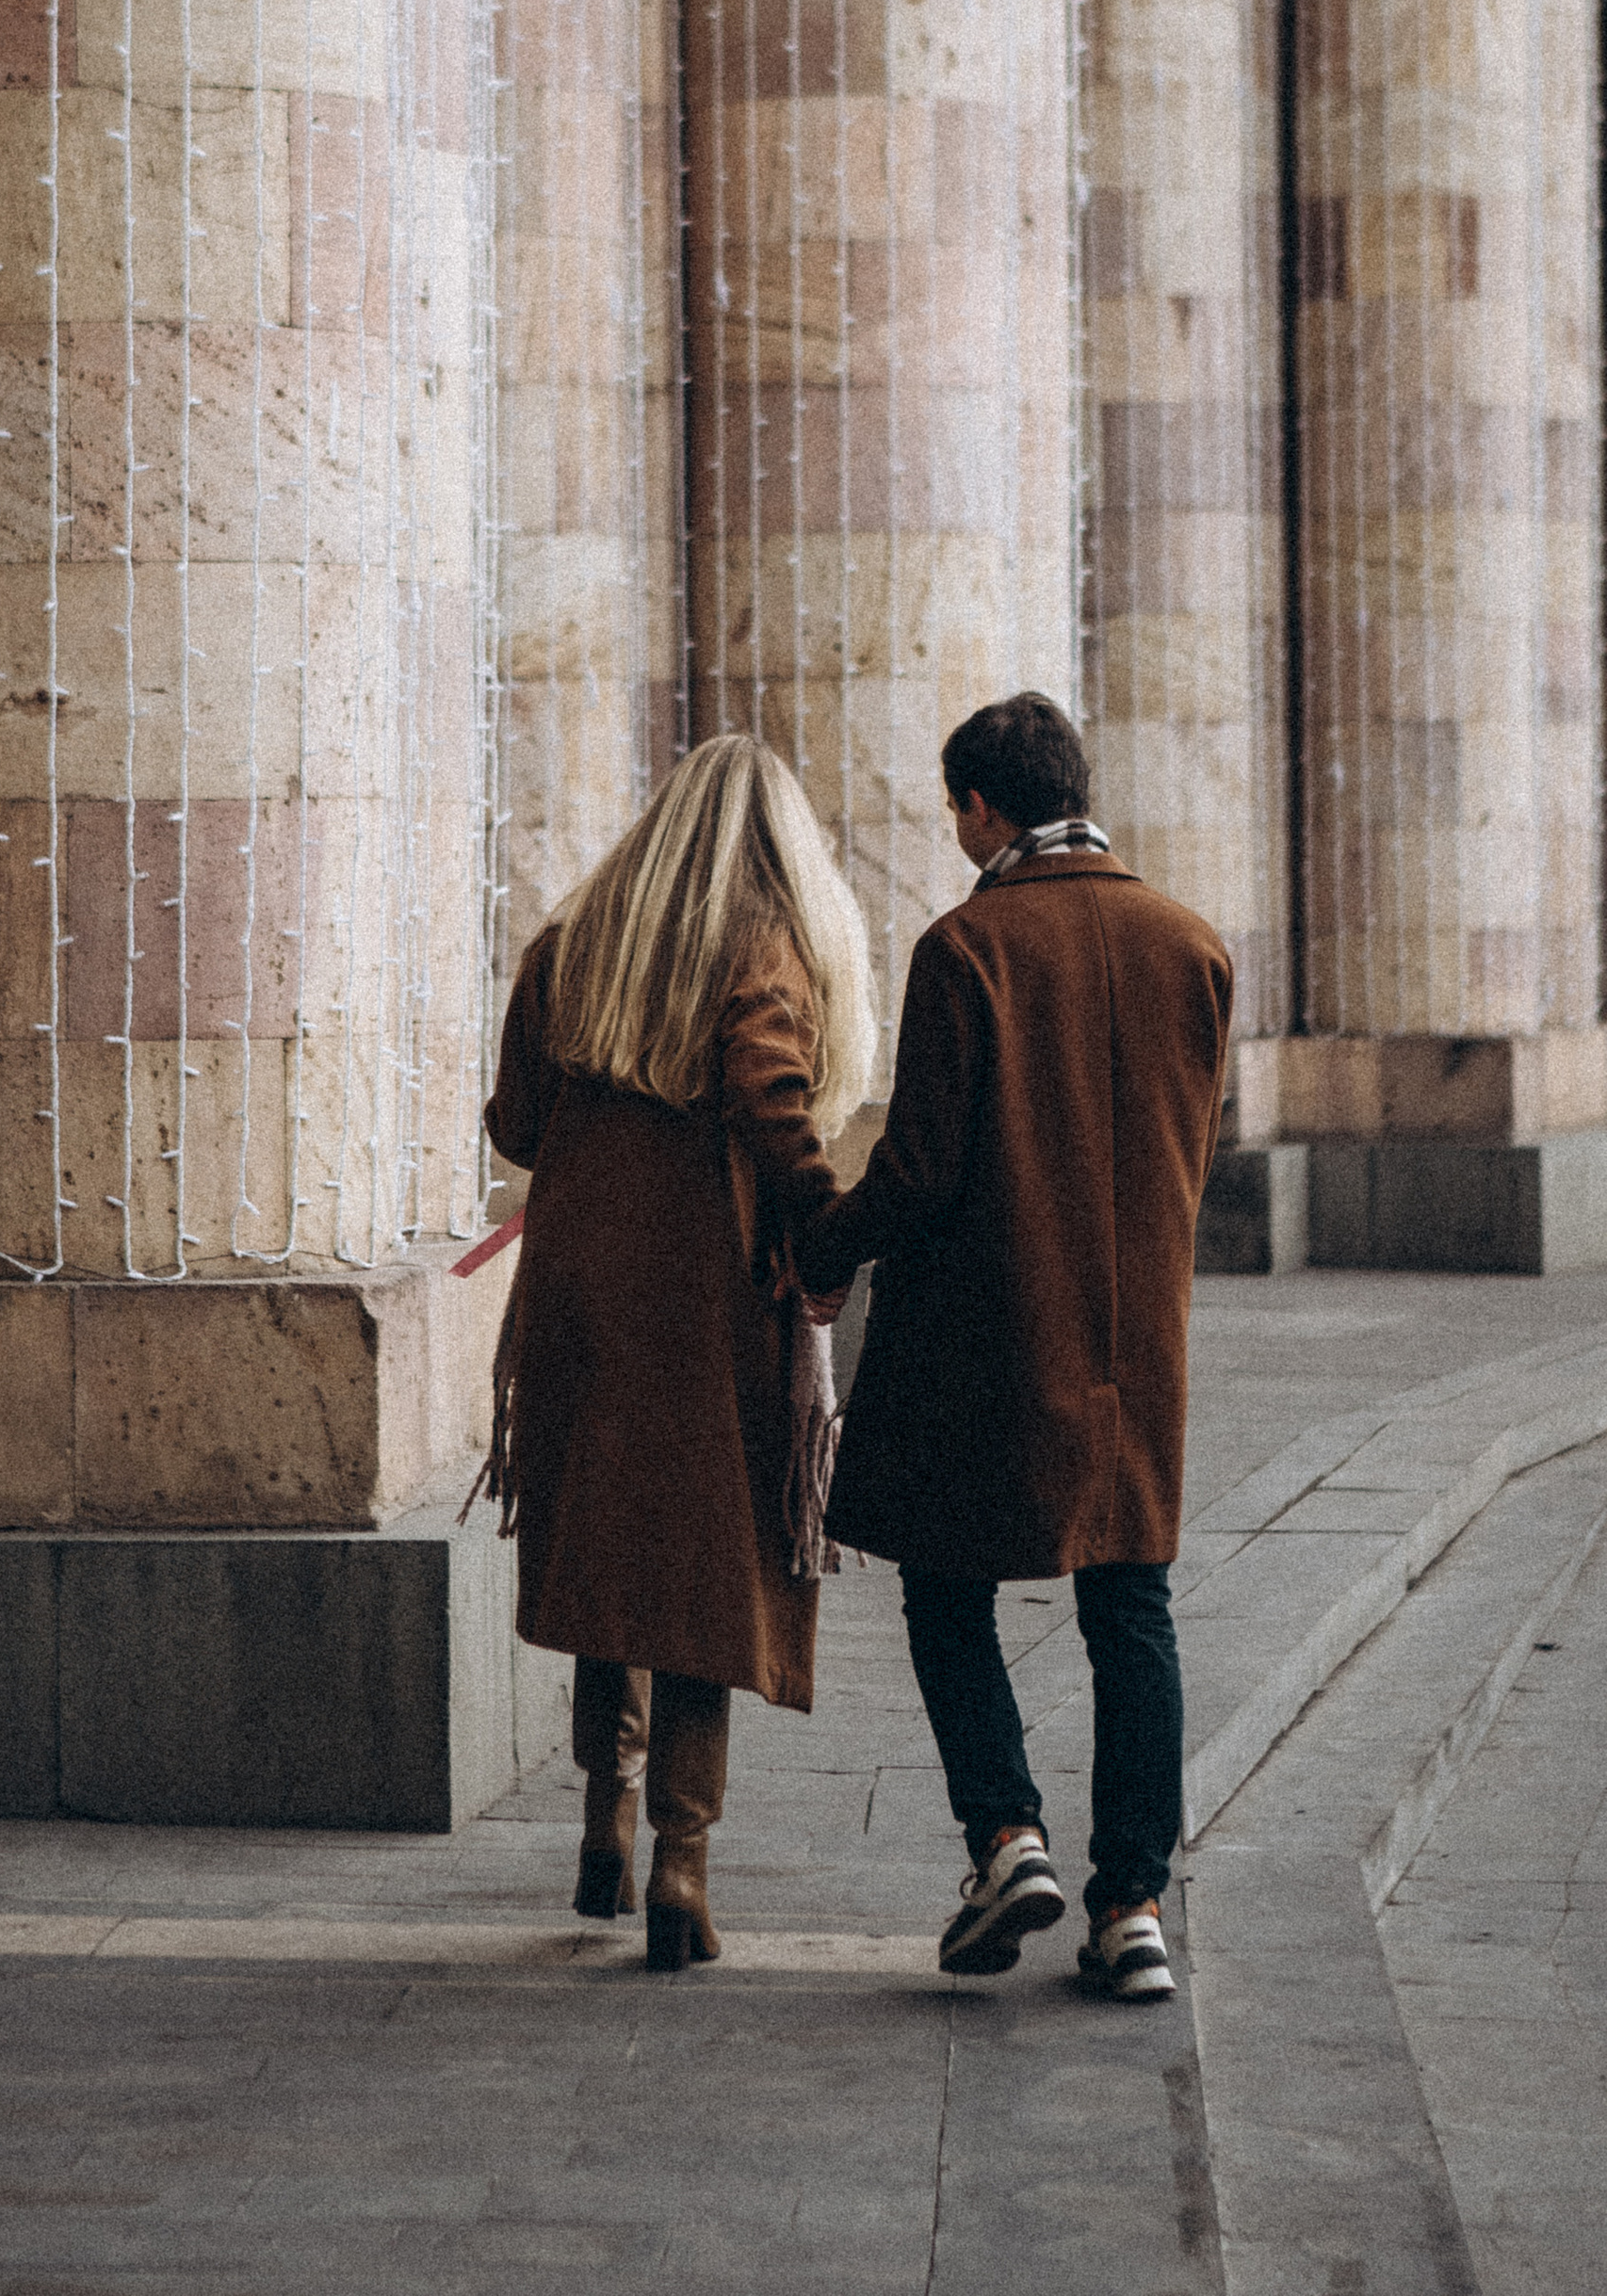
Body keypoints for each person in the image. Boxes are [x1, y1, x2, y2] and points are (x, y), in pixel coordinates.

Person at [794, 690, 1232, 2004]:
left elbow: (920, 1173)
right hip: (1137, 1336)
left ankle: (1004, 1836)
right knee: (1131, 1606)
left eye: (955, 811)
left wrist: (822, 1246)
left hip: (989, 1337)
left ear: (984, 806)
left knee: (944, 1586)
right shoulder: (1192, 944)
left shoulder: (968, 948)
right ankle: (1134, 1906)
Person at [478, 733, 876, 1974]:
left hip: (583, 1297)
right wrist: (824, 1225)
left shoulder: (575, 940)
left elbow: (517, 1125)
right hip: (706, 1301)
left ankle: (602, 1817)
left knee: (610, 1554)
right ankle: (682, 1868)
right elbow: (772, 1091)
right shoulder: (762, 941)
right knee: (707, 1581)